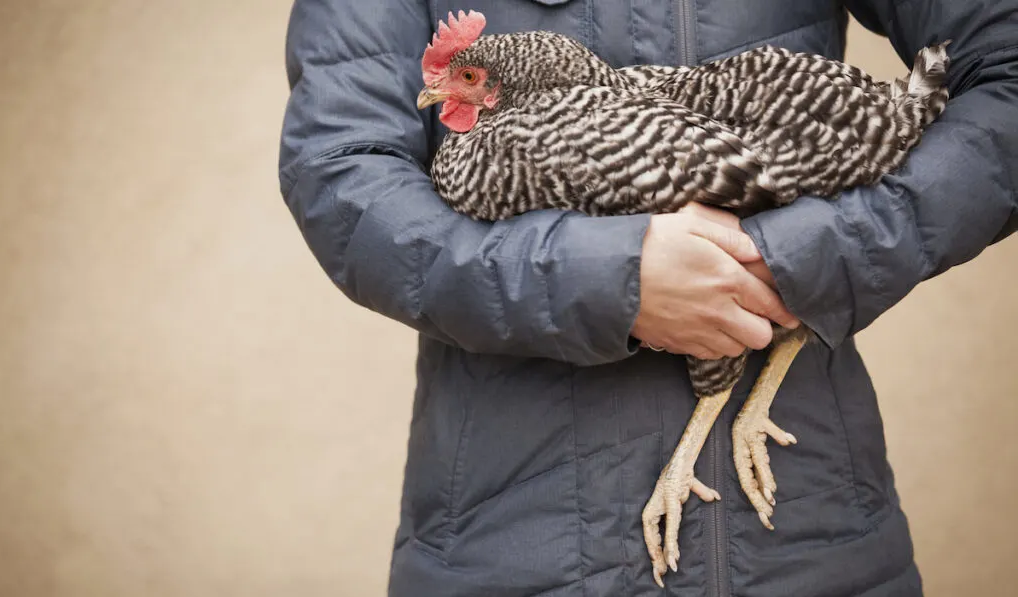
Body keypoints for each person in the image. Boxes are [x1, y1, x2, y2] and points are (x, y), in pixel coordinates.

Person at [278, 1, 1018, 595]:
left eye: (464, 81)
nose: (438, 92)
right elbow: (341, 177)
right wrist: (608, 278)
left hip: (811, 538)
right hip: (513, 546)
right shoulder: (529, 141)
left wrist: (810, 255)